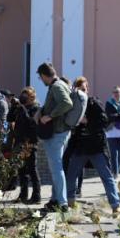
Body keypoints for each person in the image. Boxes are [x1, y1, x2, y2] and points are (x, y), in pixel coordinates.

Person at [65, 78, 120, 212]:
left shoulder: (93, 102)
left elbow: (105, 121)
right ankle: (70, 203)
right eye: (79, 90)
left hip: (96, 147)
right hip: (80, 147)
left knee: (106, 177)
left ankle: (115, 205)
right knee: (71, 176)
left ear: (87, 90)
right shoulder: (73, 105)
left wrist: (87, 121)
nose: (81, 93)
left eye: (83, 90)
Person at [36, 63, 74, 213]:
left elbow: (66, 103)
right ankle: (55, 200)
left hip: (57, 133)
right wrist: (42, 111)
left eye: (40, 77)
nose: (41, 80)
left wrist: (49, 116)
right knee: (55, 168)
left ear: (45, 75)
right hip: (60, 132)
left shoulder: (57, 86)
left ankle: (62, 203)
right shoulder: (59, 85)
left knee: (56, 168)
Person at [9, 87, 42, 205]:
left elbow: (32, 123)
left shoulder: (35, 108)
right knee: (21, 170)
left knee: (32, 169)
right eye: (22, 95)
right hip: (19, 141)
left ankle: (37, 195)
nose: (23, 97)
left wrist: (22, 109)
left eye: (26, 95)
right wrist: (13, 107)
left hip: (30, 142)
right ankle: (23, 195)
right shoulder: (20, 108)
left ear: (32, 97)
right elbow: (9, 118)